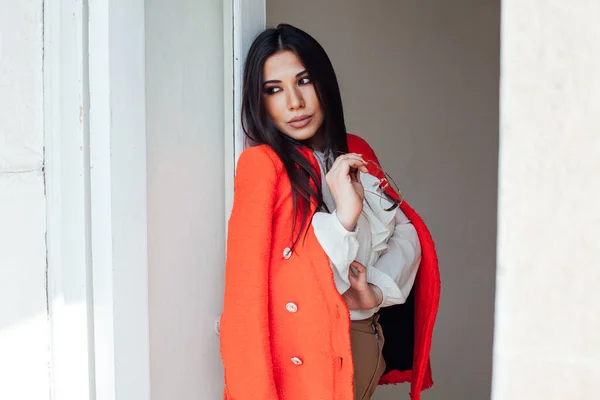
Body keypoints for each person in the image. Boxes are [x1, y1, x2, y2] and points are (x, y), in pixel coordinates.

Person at [219, 23, 440, 400]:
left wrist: (376, 290)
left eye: (303, 81)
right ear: (258, 101)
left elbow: (406, 234)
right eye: (274, 89)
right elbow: (247, 297)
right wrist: (344, 218)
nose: (294, 103)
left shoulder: (355, 148)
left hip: (363, 346)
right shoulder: (263, 165)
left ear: (325, 83)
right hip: (305, 364)